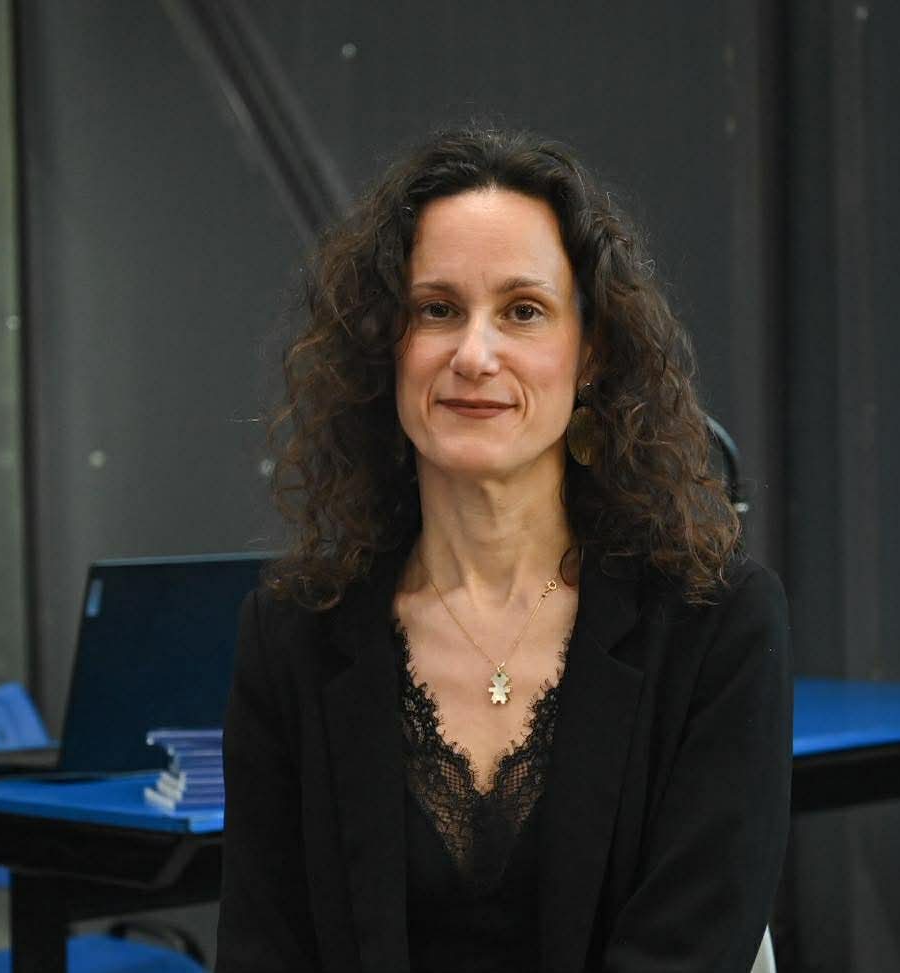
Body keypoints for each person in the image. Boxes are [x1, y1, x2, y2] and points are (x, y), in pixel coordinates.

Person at [217, 127, 791, 973]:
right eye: (437, 309)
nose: (474, 355)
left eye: (523, 311)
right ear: (386, 346)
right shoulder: (292, 634)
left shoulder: (717, 623)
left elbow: (690, 952)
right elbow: (263, 952)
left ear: (590, 352)